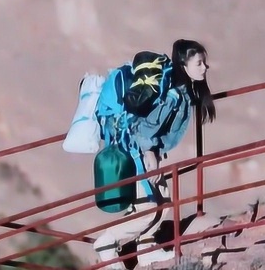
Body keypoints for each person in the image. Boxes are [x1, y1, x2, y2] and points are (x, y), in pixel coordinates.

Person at [92, 39, 216, 269]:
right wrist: (150, 154)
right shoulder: (173, 97)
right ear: (183, 65)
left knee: (164, 202)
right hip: (135, 154)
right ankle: (107, 243)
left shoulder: (182, 92)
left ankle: (146, 250)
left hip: (146, 152)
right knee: (149, 208)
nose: (204, 68)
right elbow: (144, 129)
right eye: (199, 63)